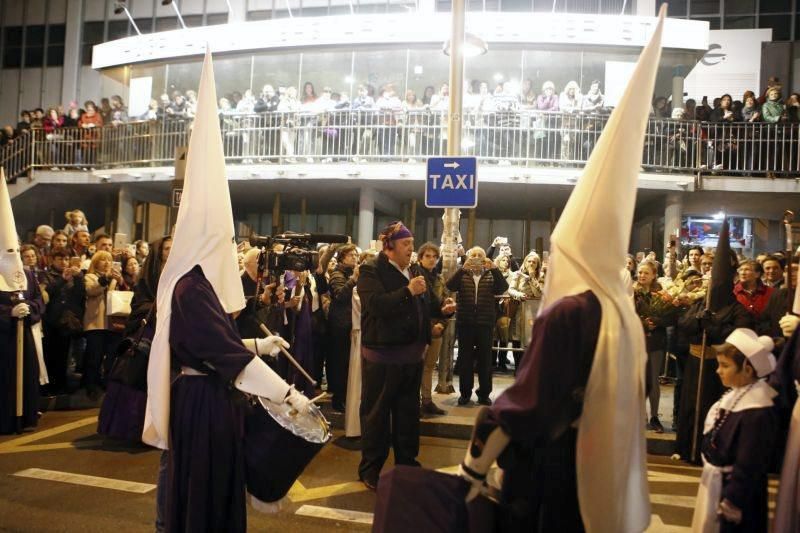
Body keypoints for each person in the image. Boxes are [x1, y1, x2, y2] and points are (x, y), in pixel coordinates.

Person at [449, 16, 666, 532]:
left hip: (554, 473)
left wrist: (474, 466)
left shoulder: (570, 311)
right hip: (600, 471)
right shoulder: (619, 312)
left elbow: (527, 403)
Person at [143, 50, 310, 532]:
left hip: (210, 400)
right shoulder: (191, 288)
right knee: (203, 494)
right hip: (202, 405)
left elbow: (221, 346)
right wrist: (287, 394)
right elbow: (222, 355)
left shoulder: (198, 284)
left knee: (208, 490)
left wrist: (260, 343)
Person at [356, 221, 454, 490]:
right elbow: (376, 306)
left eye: (411, 244)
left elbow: (428, 304)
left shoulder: (413, 270)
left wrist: (443, 309)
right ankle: (370, 469)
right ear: (390, 247)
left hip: (412, 358)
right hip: (383, 359)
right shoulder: (371, 270)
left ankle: (406, 462)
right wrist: (408, 291)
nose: (411, 249)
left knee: (407, 415)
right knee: (376, 415)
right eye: (406, 244)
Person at [675, 222, 754, 463]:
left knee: (712, 408)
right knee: (689, 407)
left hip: (717, 367)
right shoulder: (701, 303)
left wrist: (714, 327)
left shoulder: (737, 309)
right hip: (694, 361)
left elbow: (739, 335)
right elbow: (683, 326)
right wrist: (698, 322)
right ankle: (686, 447)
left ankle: (707, 451)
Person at [691, 329, 777, 533]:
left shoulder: (757, 411)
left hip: (736, 493)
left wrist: (733, 499)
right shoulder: (734, 396)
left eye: (725, 366)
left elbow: (750, 462)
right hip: (717, 484)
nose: (718, 371)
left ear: (748, 368)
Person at [0, 173, 45, 434]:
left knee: (25, 375)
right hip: (2, 337)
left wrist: (31, 309)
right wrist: (8, 312)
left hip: (23, 332)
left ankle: (24, 417)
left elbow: (38, 298)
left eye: (15, 249)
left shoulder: (27, 274)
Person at [446, 246, 509, 406]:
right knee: (465, 359)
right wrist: (462, 269)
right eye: (473, 255)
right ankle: (465, 393)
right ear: (468, 257)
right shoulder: (463, 274)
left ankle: (484, 393)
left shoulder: (490, 275)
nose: (476, 257)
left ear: (485, 258)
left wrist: (494, 268)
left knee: (485, 360)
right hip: (465, 322)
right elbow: (450, 286)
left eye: (479, 255)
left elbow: (503, 288)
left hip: (485, 323)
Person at [633, 260, 673, 433]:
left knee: (653, 380)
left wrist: (656, 321)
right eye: (640, 272)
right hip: (636, 342)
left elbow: (671, 318)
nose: (642, 275)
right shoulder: (632, 292)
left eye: (646, 273)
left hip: (656, 342)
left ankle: (654, 416)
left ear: (654, 275)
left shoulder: (661, 294)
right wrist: (642, 324)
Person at [82, 250, 123, 399]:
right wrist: (106, 278)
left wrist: (120, 281)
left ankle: (107, 383)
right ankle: (91, 385)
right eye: (103, 260)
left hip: (113, 323)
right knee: (94, 356)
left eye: (109, 260)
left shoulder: (114, 278)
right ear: (95, 262)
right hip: (96, 323)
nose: (107, 263)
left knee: (112, 355)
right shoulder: (89, 277)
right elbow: (91, 290)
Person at [416, 242, 451, 416]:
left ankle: (427, 401)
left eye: (434, 257)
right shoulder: (415, 275)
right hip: (421, 329)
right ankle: (414, 404)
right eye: (427, 256)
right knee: (416, 366)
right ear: (420, 258)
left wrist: (441, 324)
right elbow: (417, 306)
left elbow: (445, 302)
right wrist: (430, 326)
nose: (431, 260)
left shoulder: (439, 278)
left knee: (429, 367)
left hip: (437, 328)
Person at [328, 244, 359, 412]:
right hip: (340, 325)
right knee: (340, 363)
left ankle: (347, 397)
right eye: (350, 255)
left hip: (351, 323)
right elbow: (340, 295)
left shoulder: (351, 273)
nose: (354, 257)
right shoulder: (337, 274)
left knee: (349, 363)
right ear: (341, 258)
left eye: (355, 254)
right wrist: (353, 279)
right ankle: (338, 400)